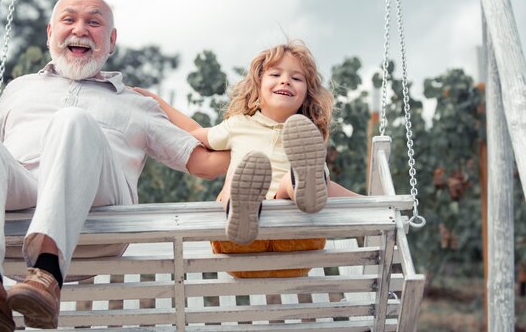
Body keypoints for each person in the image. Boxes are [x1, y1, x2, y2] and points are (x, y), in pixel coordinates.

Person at [0, 0, 228, 332]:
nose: (80, 29)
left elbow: (201, 162)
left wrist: (261, 142)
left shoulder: (136, 103)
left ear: (111, 40)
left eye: (93, 22)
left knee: (71, 121)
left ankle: (47, 276)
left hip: (97, 215)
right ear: (50, 32)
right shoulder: (20, 88)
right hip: (19, 206)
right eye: (69, 19)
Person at [134, 40, 360, 278]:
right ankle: (244, 207)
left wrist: (373, 204)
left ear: (306, 94)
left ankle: (295, 189)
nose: (285, 80)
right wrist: (155, 102)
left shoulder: (307, 137)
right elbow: (193, 134)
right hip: (242, 244)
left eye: (297, 78)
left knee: (298, 181)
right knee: (238, 179)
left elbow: (329, 189)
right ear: (257, 85)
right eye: (276, 74)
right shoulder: (238, 126)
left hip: (296, 242)